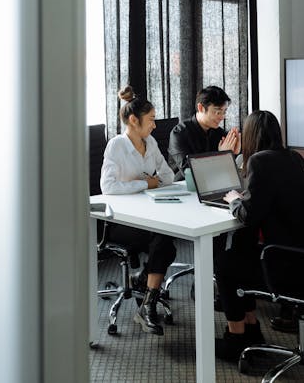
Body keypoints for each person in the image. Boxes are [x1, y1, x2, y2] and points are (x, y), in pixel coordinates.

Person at [214, 110, 304, 361]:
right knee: (242, 252)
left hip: (290, 267)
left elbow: (249, 214)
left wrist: (235, 199)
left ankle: (237, 337)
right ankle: (251, 329)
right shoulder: (294, 158)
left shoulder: (259, 161)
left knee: (226, 265)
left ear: (250, 136)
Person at [99, 85, 177, 335]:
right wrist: (145, 182)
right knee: (163, 241)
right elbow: (108, 186)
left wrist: (150, 182)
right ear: (134, 120)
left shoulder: (150, 142)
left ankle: (146, 293)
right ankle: (147, 296)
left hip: (147, 216)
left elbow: (167, 176)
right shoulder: (116, 145)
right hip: (120, 223)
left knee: (166, 242)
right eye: (151, 119)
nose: (155, 125)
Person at [167, 85, 240, 175]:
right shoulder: (179, 133)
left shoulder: (219, 133)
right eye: (218, 112)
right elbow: (188, 171)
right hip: (184, 185)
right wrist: (221, 156)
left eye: (224, 112)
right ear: (201, 108)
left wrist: (234, 153)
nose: (222, 117)